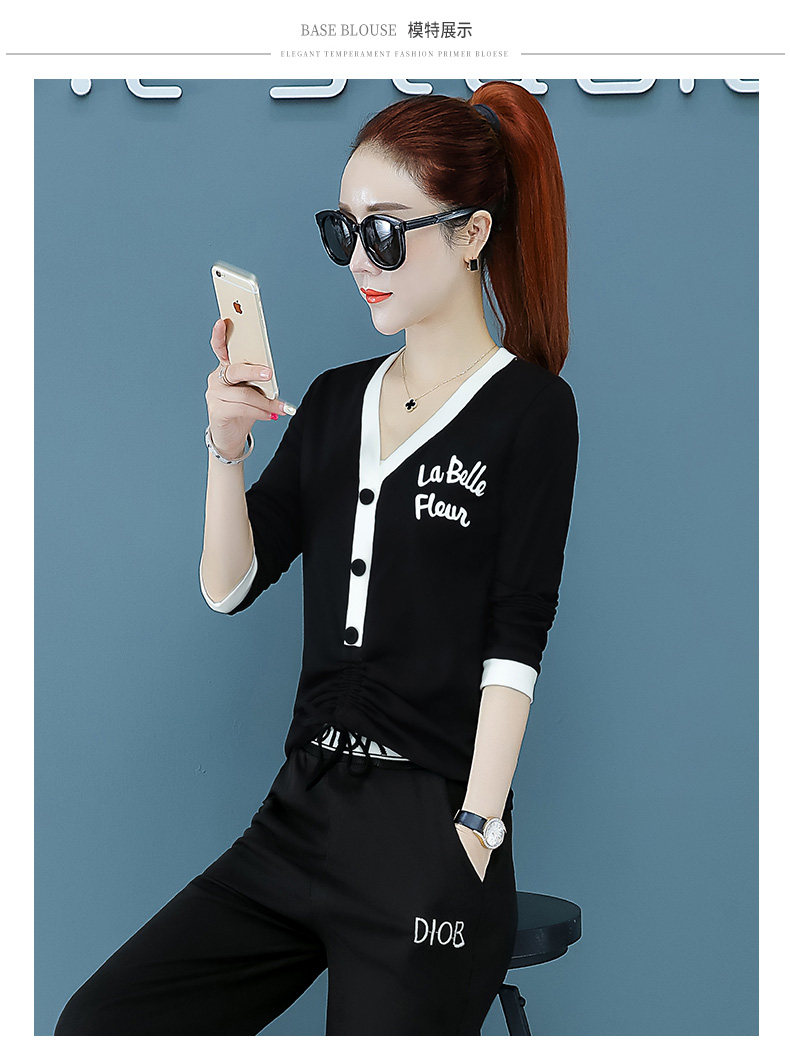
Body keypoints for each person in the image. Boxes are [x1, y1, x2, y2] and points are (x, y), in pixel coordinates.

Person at [54, 83, 579, 1035]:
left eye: (385, 232)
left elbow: (518, 636)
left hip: (430, 832)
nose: (360, 262)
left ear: (471, 234)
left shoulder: (530, 411)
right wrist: (225, 448)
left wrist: (475, 828)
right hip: (300, 814)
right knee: (103, 1020)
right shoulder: (336, 402)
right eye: (344, 232)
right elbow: (229, 585)